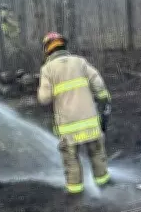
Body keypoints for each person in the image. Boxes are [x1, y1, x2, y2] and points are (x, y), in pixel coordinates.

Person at [37, 32, 111, 195]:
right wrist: (103, 100)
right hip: (90, 121)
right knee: (97, 153)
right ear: (64, 45)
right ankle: (104, 185)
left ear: (47, 50)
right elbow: (98, 84)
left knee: (71, 159)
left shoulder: (47, 69)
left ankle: (75, 192)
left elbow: (44, 98)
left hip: (68, 126)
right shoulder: (80, 62)